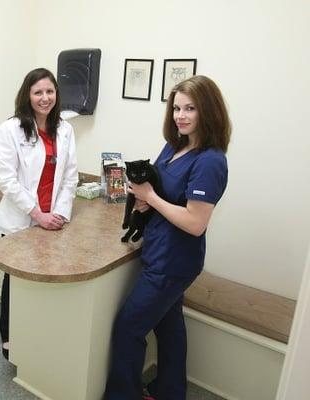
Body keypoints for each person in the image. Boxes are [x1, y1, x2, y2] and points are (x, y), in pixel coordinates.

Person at [104, 75, 231, 400]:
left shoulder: (210, 161)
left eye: (190, 108)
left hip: (173, 262)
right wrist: (144, 199)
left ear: (208, 110)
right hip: (159, 251)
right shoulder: (175, 146)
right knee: (169, 325)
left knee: (128, 328)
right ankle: (169, 391)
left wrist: (153, 198)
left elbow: (195, 222)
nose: (181, 115)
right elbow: (160, 188)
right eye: (177, 108)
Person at [0, 68, 79, 359]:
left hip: (52, 219)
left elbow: (70, 176)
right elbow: (7, 181)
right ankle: (10, 336)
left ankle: (38, 333)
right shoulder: (10, 130)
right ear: (27, 95)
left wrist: (60, 214)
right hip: (22, 218)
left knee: (44, 277)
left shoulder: (65, 129)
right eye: (38, 92)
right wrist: (37, 214)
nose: (45, 98)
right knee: (15, 279)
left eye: (50, 92)